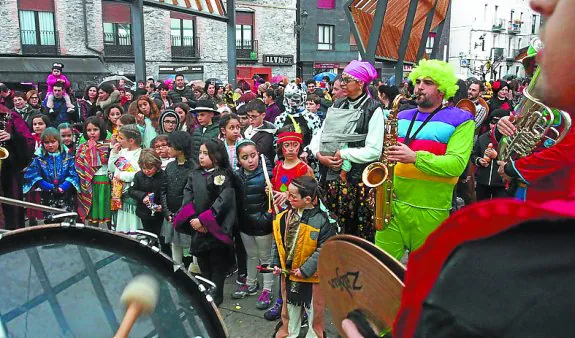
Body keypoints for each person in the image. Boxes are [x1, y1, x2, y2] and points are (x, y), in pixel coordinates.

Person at [374, 59, 475, 259]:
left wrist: (415, 157)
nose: (419, 86)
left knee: (425, 276)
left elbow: (456, 165)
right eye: (418, 81)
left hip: (431, 209)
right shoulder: (401, 116)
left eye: (428, 82)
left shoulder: (461, 119)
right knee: (381, 271)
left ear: (443, 90)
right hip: (391, 206)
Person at [309, 60, 383, 241]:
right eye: (342, 79)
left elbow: (374, 150)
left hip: (357, 184)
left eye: (347, 80)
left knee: (357, 234)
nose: (342, 83)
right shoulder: (337, 104)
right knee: (332, 230)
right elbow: (321, 135)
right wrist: (319, 154)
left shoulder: (374, 109)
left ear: (360, 83)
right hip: (330, 180)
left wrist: (344, 154)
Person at [173, 138, 237, 306]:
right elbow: (188, 196)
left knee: (217, 263)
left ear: (216, 156)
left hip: (216, 227)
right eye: (200, 153)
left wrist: (205, 220)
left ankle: (217, 293)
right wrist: (194, 219)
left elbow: (224, 201)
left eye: (206, 154)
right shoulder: (194, 175)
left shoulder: (224, 176)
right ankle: (206, 289)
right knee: (203, 261)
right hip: (197, 227)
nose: (201, 157)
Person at [271, 176, 335, 338]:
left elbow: (324, 249)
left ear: (307, 199)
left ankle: (314, 334)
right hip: (290, 273)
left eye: (293, 196)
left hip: (312, 277)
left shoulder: (322, 220)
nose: (288, 198)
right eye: (288, 194)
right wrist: (277, 263)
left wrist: (305, 269)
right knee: (290, 306)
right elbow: (278, 242)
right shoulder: (285, 216)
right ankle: (290, 332)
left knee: (314, 310)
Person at [231, 139, 275, 310]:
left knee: (265, 258)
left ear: (259, 155)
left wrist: (266, 217)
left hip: (263, 225)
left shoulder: (267, 173)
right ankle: (251, 283)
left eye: (253, 155)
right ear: (239, 160)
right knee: (251, 255)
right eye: (245, 157)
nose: (250, 160)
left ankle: (267, 289)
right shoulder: (237, 175)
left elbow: (282, 191)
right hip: (245, 225)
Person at [23, 127, 79, 220]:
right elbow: (34, 175)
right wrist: (49, 187)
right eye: (46, 142)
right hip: (47, 194)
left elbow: (72, 174)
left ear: (59, 141)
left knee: (66, 221)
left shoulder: (68, 157)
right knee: (50, 222)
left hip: (65, 194)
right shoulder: (39, 158)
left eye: (53, 142)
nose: (50, 145)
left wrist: (63, 187)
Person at [160, 131, 195, 269]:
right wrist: (166, 211)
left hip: (186, 214)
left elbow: (190, 195)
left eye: (170, 145)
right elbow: (163, 190)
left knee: (191, 246)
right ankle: (177, 270)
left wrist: (180, 213)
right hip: (170, 214)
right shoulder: (169, 166)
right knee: (174, 245)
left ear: (180, 148)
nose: (167, 148)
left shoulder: (193, 168)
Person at [75, 116, 111, 226]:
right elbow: (79, 164)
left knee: (109, 213)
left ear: (101, 130)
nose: (92, 133)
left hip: (106, 184)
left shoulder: (109, 145)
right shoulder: (83, 147)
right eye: (89, 130)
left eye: (95, 130)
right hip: (90, 184)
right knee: (92, 216)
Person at [109, 124, 143, 233]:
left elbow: (139, 174)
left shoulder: (141, 154)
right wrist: (114, 153)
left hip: (133, 196)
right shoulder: (122, 152)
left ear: (131, 140)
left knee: (133, 224)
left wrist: (121, 176)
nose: (118, 140)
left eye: (121, 138)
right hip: (120, 196)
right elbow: (112, 168)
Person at [472, 109, 510, 201]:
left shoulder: (510, 140)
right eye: (493, 122)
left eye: (500, 122)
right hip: (483, 181)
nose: (496, 125)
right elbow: (474, 154)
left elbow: (514, 159)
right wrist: (479, 160)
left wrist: (497, 156)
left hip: (500, 184)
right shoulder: (482, 138)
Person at [129, 149, 167, 238]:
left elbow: (166, 193)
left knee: (162, 237)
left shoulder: (164, 176)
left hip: (160, 214)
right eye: (144, 168)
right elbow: (131, 191)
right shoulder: (138, 176)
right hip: (144, 212)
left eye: (150, 168)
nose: (147, 171)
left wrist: (163, 206)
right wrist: (143, 196)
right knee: (149, 236)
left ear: (157, 166)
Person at [243, 99, 277, 164]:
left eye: (254, 116)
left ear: (263, 115)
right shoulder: (246, 129)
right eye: (248, 116)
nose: (250, 120)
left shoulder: (268, 134)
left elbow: (258, 152)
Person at [189, 100, 221, 168]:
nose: (199, 118)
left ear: (211, 114)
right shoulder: (195, 130)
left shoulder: (218, 130)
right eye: (197, 115)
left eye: (202, 115)